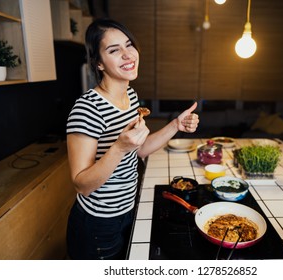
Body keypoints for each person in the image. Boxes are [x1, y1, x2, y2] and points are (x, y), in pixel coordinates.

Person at [66, 18, 199, 260]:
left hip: (127, 209)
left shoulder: (130, 95)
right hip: (99, 223)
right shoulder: (87, 108)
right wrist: (118, 147)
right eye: (114, 50)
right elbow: (82, 185)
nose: (128, 55)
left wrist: (175, 125)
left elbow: (138, 151)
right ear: (98, 63)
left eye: (129, 45)